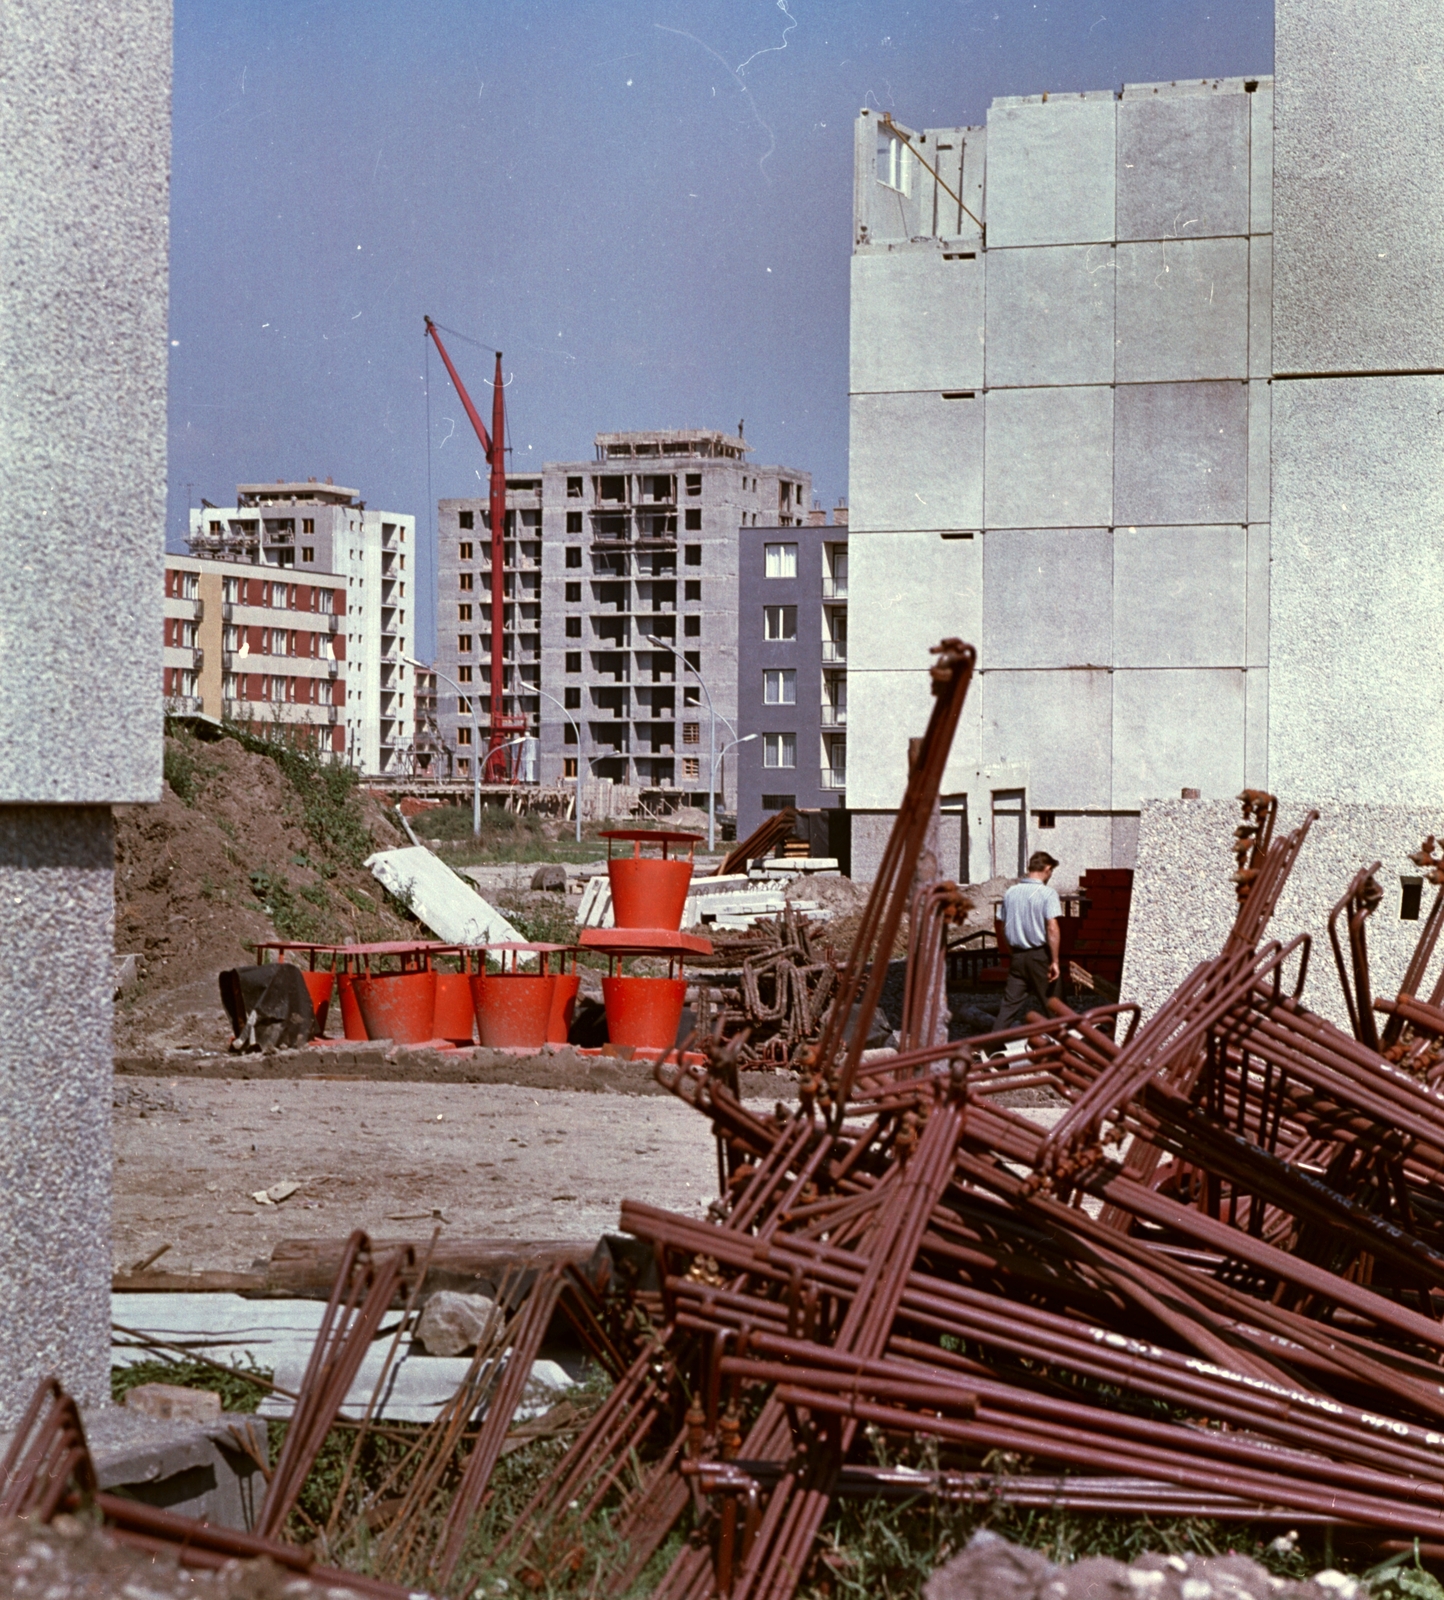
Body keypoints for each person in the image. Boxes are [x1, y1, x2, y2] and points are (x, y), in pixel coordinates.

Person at [994, 851, 1062, 1034]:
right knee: (1054, 1007)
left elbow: (1003, 928)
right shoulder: (1048, 894)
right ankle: (1064, 1053)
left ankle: (990, 1050)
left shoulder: (1010, 893)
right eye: (1051, 872)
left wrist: (1012, 952)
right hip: (1040, 956)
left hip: (1017, 956)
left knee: (1007, 1009)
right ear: (1047, 869)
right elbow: (1052, 927)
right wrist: (1054, 961)